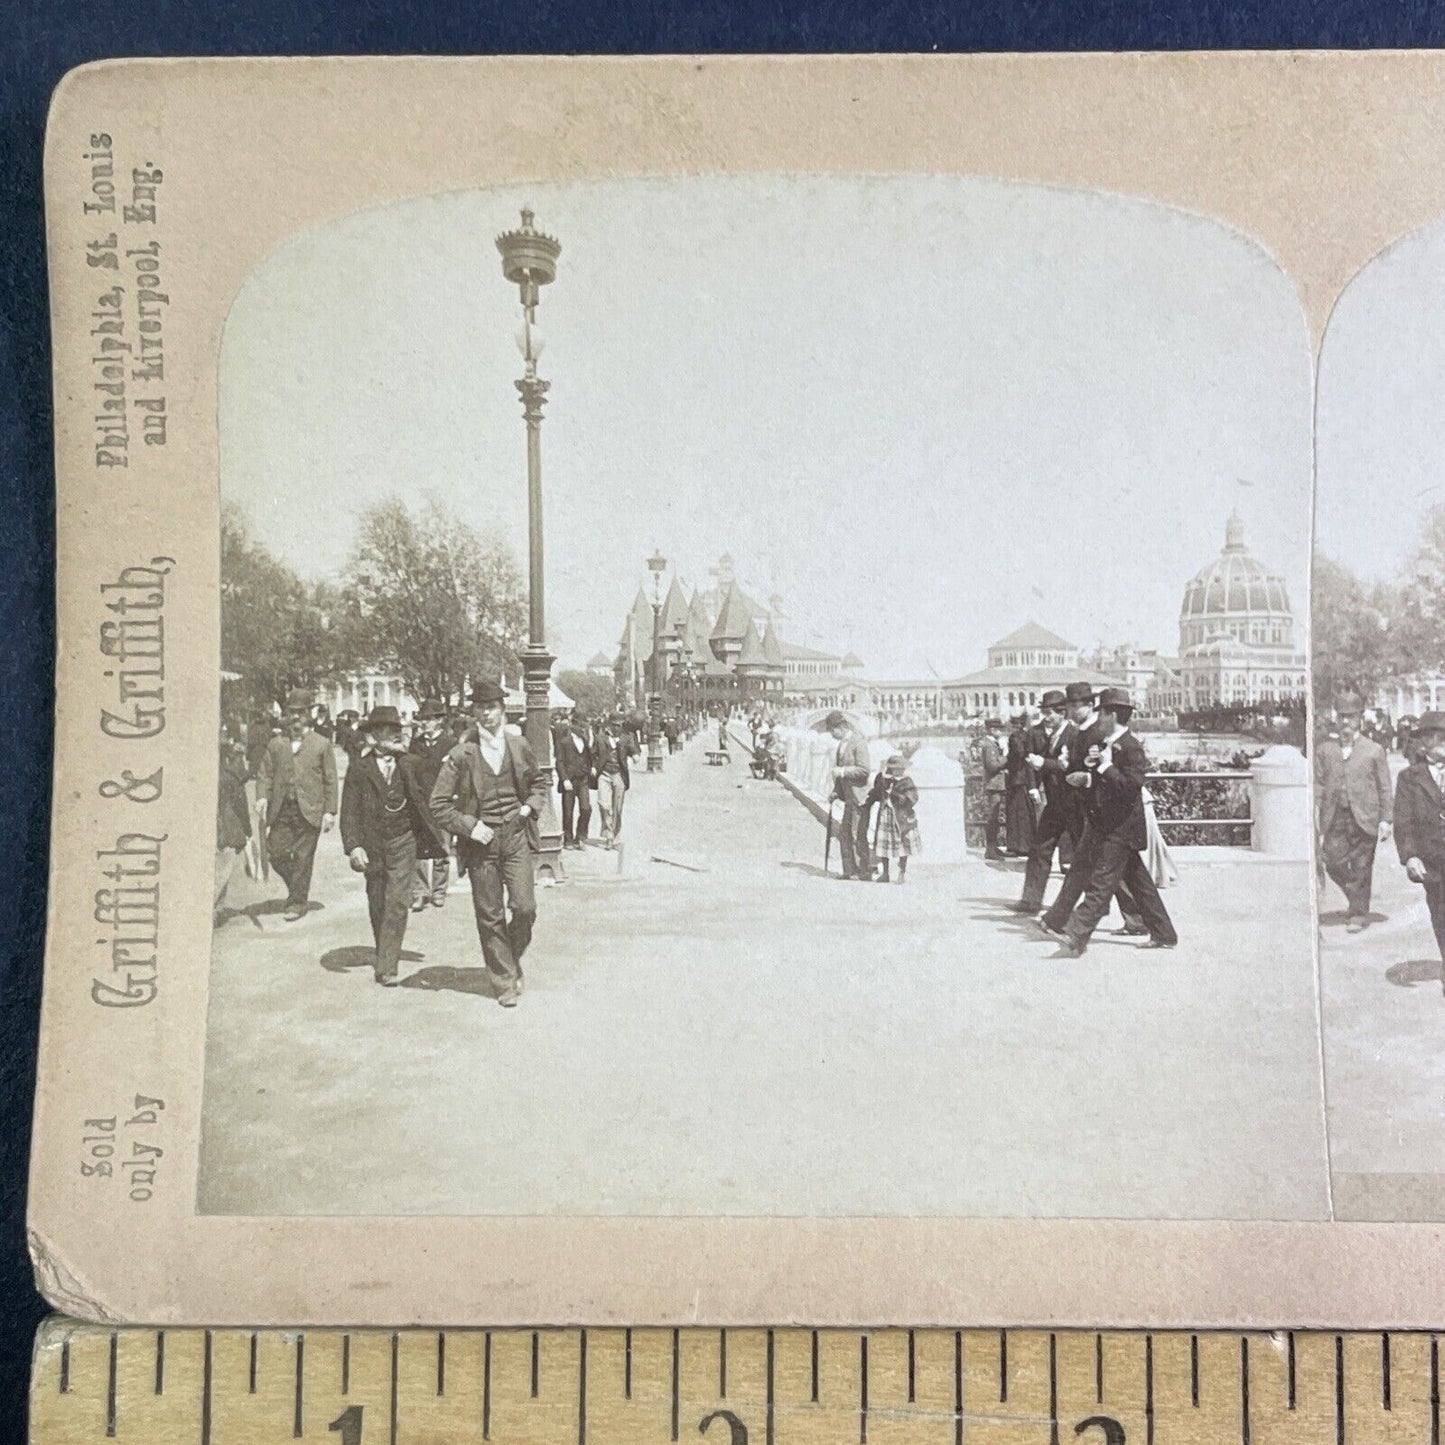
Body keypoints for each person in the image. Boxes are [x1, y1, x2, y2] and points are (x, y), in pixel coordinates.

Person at [429, 680, 548, 1009]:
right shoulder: (460, 754)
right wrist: (469, 826)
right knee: (490, 914)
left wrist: (528, 807)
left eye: (492, 706)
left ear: (502, 709)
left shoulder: (519, 744)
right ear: (474, 712)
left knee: (525, 907)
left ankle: (507, 956)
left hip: (515, 835)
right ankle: (504, 980)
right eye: (480, 707)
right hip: (481, 843)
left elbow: (539, 783)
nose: (487, 713)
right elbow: (438, 804)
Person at [1044, 688, 1178, 957]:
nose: (1098, 718)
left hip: (1121, 828)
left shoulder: (1130, 747)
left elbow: (1131, 787)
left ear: (1112, 714)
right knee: (1140, 884)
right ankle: (1164, 933)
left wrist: (1105, 768)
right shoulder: (1109, 744)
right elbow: (1110, 785)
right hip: (1108, 823)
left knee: (1101, 883)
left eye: (1101, 713)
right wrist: (1089, 778)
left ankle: (1076, 934)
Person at [340, 706, 446, 987]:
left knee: (398, 901)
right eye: (388, 730)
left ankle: (387, 966)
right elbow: (348, 810)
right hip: (372, 843)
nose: (395, 733)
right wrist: (353, 846)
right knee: (377, 901)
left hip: (403, 839)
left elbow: (434, 770)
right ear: (374, 735)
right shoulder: (359, 767)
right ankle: (384, 950)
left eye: (397, 729)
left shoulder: (409, 762)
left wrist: (410, 748)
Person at [1035, 683, 1145, 938]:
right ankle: (1135, 918)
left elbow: (1107, 773)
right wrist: (1066, 765)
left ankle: (1062, 921)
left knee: (1100, 869)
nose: (1072, 711)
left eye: (1076, 706)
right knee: (1105, 868)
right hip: (1085, 808)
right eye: (1069, 706)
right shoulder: (1081, 733)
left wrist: (1084, 776)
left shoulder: (1100, 733)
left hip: (1098, 810)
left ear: (1089, 707)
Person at [256, 687, 338, 921]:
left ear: (309, 714)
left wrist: (330, 811)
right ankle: (297, 887)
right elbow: (265, 774)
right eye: (292, 712)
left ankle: (297, 903)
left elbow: (330, 779)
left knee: (303, 857)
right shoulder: (276, 743)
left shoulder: (321, 744)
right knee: (276, 853)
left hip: (310, 810)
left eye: (301, 712)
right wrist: (262, 796)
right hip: (282, 809)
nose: (296, 717)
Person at [1315, 692, 1393, 933]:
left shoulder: (1374, 750)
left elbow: (1384, 786)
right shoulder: (1325, 750)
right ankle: (1356, 896)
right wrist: (1315, 813)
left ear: (1360, 718)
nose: (1345, 722)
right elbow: (1318, 783)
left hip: (1365, 817)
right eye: (1341, 717)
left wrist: (1386, 820)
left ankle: (1358, 913)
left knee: (1362, 865)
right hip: (1335, 817)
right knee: (1331, 861)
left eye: (1350, 717)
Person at [1016, 689, 1082, 914]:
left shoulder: (1074, 735)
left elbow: (1071, 767)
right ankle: (1031, 900)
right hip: (1055, 804)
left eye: (1050, 713)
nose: (1046, 717)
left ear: (1063, 713)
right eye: (1044, 712)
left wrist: (1043, 763)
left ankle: (1130, 913)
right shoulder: (1048, 735)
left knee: (1092, 856)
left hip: (1075, 805)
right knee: (1039, 849)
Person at [1392, 711, 1445, 991]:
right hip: (1433, 861)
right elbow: (1403, 821)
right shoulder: (1410, 778)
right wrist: (1410, 856)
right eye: (1438, 737)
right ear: (1424, 743)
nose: (1443, 742)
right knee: (1441, 912)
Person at [408, 698, 453, 909]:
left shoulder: (450, 744)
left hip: (443, 803)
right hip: (419, 803)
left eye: (428, 719)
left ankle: (439, 891)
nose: (424, 723)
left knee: (442, 847)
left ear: (439, 721)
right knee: (417, 848)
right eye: (422, 719)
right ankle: (419, 891)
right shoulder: (415, 744)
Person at [826, 710, 874, 880]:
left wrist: (843, 771)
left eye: (832, 730)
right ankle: (850, 871)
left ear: (841, 727)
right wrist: (835, 792)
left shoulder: (857, 742)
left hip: (860, 798)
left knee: (857, 834)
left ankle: (864, 871)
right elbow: (840, 777)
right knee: (844, 834)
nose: (831, 734)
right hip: (848, 799)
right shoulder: (841, 745)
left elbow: (864, 770)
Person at [214, 726, 251, 923]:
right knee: (222, 870)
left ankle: (216, 909)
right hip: (226, 830)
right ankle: (215, 909)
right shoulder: (230, 778)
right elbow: (241, 806)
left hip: (214, 829)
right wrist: (247, 830)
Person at [868, 751, 921, 882]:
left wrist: (903, 798)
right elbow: (875, 792)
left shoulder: (906, 781)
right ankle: (885, 874)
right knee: (883, 845)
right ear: (891, 768)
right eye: (897, 769)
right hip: (886, 814)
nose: (900, 771)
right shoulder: (883, 779)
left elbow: (913, 797)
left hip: (901, 817)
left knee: (902, 844)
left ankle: (902, 872)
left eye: (902, 769)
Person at [592, 713, 637, 850]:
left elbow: (633, 750)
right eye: (615, 725)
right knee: (603, 804)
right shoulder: (600, 737)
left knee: (617, 807)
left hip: (619, 774)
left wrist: (635, 755)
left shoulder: (626, 737)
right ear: (609, 724)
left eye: (619, 725)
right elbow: (593, 754)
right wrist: (594, 766)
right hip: (604, 774)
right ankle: (608, 835)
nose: (617, 728)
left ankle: (615, 837)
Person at [555, 708, 595, 849]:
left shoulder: (584, 740)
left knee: (586, 809)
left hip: (583, 779)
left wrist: (591, 768)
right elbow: (559, 762)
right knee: (568, 812)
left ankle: (581, 836)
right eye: (582, 726)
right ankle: (568, 839)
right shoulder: (564, 741)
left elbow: (589, 757)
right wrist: (564, 779)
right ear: (574, 725)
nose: (584, 729)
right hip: (569, 781)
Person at [980, 717, 1008, 860]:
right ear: (992, 730)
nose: (1001, 732)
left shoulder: (992, 744)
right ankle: (990, 849)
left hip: (996, 784)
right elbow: (992, 766)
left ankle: (993, 847)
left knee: (995, 817)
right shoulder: (990, 745)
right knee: (993, 817)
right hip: (993, 785)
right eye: (999, 729)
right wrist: (1005, 756)